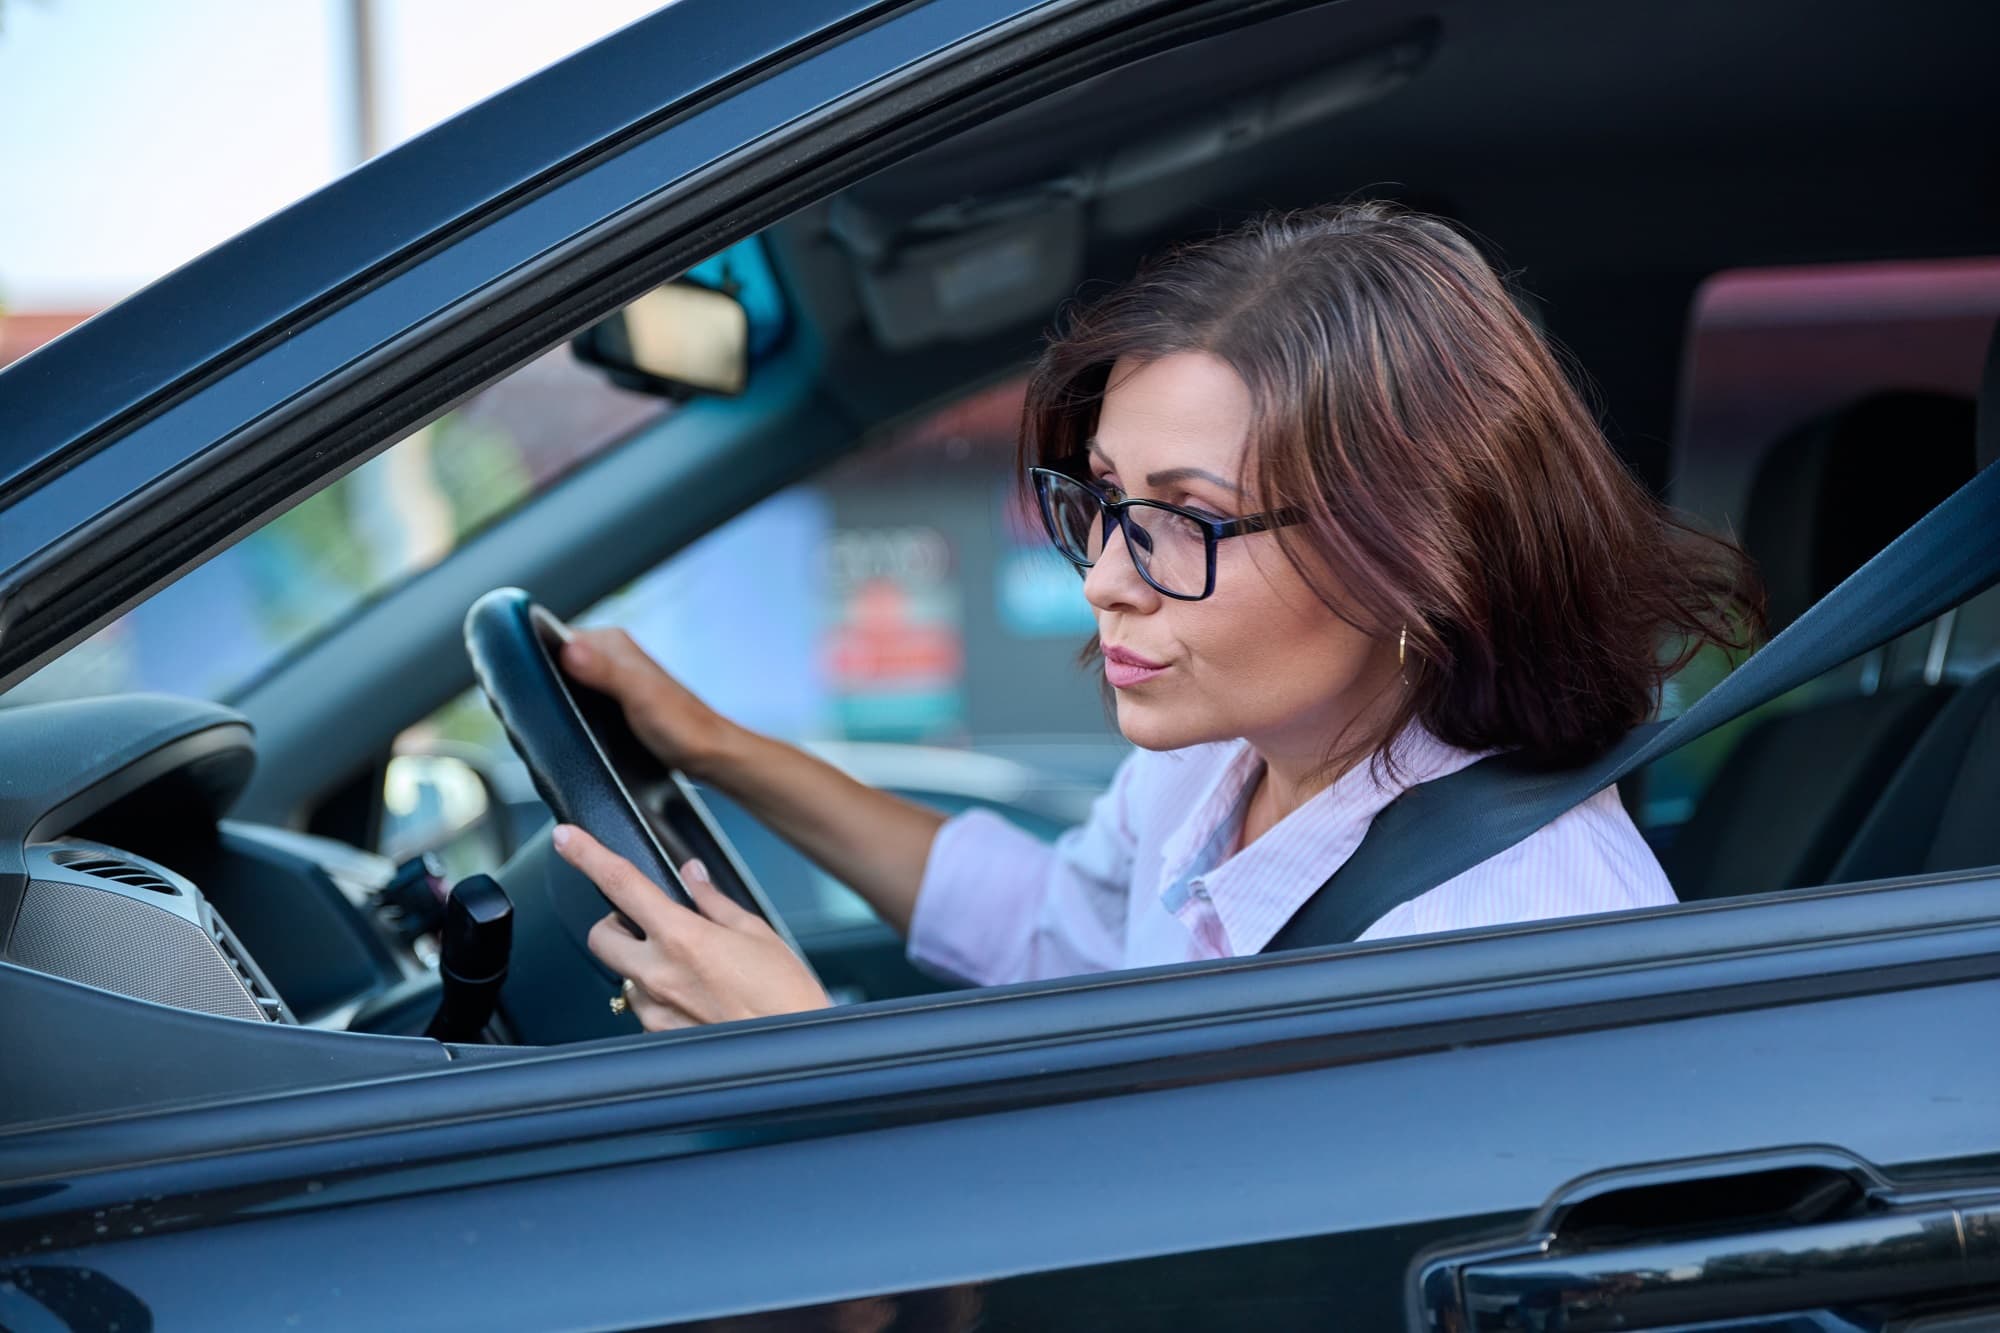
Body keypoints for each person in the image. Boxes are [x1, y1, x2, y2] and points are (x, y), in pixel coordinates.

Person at [549, 202, 1763, 1032]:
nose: (1102, 578)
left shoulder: (1502, 926)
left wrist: (797, 1060)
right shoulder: (1224, 765)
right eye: (1106, 500)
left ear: (1410, 550)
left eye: (1185, 516)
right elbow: (1042, 931)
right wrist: (713, 745)